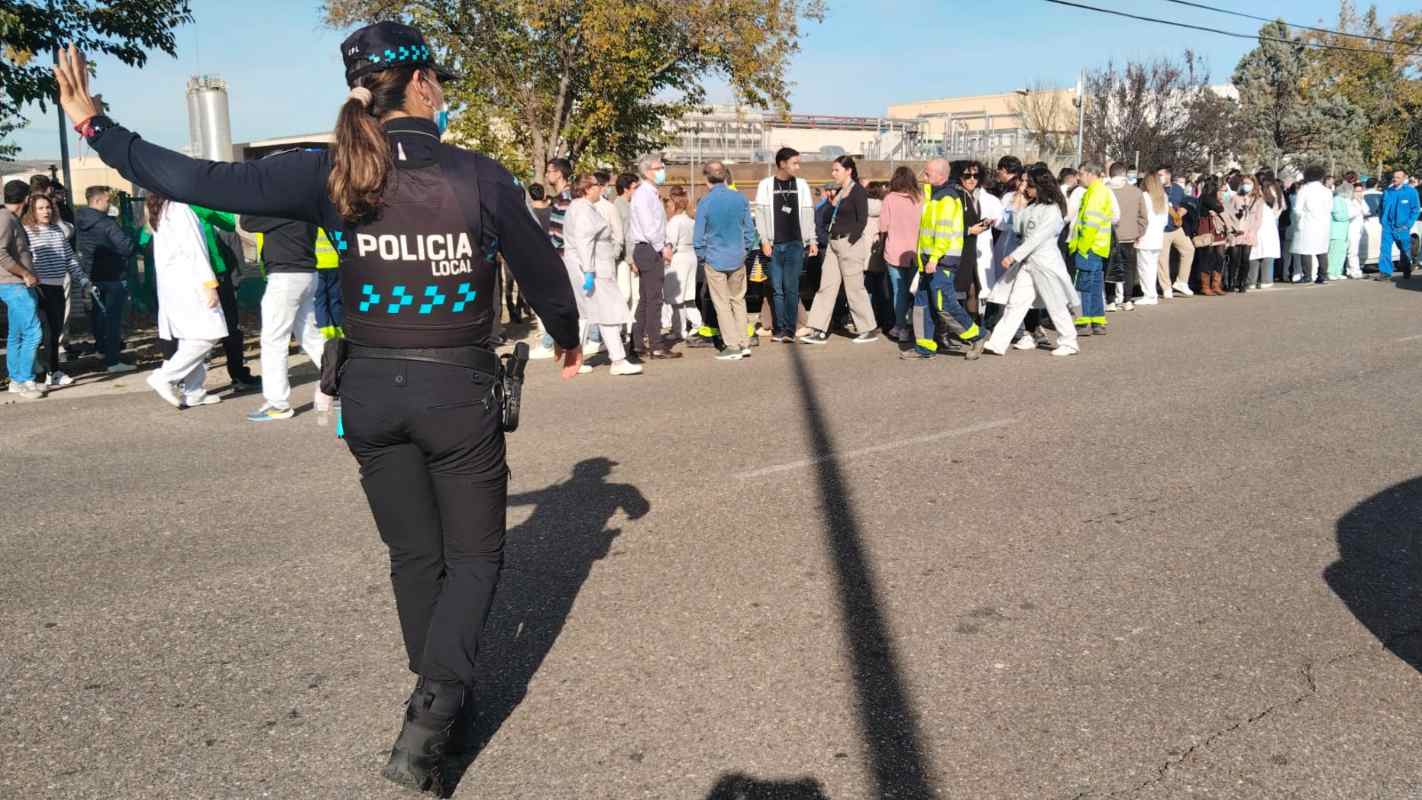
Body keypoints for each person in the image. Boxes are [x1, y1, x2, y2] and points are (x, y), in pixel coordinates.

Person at [53, 24, 585, 792]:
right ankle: (433, 712)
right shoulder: (478, 175)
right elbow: (541, 267)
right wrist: (566, 336)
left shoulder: (329, 172)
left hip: (367, 391)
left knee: (413, 557)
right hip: (455, 391)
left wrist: (95, 125)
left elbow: (196, 176)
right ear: (425, 86)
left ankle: (435, 703)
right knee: (473, 559)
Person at [982, 165, 1079, 357]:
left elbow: (1037, 238)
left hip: (1045, 263)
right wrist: (1019, 202)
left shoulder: (1052, 210)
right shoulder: (1032, 206)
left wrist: (1013, 256)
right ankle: (998, 342)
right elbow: (1017, 227)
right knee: (1016, 302)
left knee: (1055, 303)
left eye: (1029, 184)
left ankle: (1069, 341)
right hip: (1027, 263)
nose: (1025, 187)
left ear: (1040, 186)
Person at [143, 191, 227, 408]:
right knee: (209, 334)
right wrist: (209, 285)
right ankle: (165, 376)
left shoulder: (160, 210)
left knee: (191, 337)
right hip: (190, 282)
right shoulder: (179, 209)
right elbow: (196, 249)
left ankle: (194, 390)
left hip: (174, 285)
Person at [240, 212, 327, 421]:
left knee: (274, 340)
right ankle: (343, 386)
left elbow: (247, 222)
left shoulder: (281, 208)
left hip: (285, 277)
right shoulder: (304, 204)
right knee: (310, 336)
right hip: (307, 273)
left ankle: (278, 403)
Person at [903, 158, 984, 360]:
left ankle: (976, 335)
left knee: (944, 303)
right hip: (928, 260)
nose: (924, 176)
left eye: (928, 173)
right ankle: (925, 346)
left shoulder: (947, 199)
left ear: (940, 176)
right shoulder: (934, 196)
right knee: (923, 305)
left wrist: (934, 258)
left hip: (941, 261)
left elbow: (944, 233)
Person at [564, 174, 640, 376]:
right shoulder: (582, 210)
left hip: (594, 266)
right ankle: (617, 359)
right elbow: (584, 242)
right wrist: (588, 271)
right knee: (608, 313)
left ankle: (577, 360)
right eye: (598, 186)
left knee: (589, 315)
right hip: (595, 269)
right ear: (587, 189)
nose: (602, 189)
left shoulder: (581, 208)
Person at [801, 156, 876, 345]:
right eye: (833, 170)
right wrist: (830, 203)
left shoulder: (857, 191)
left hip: (848, 244)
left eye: (836, 170)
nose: (833, 173)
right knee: (826, 287)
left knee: (854, 288)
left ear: (848, 170)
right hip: (834, 243)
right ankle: (819, 328)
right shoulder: (841, 192)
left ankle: (866, 328)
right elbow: (826, 215)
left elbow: (862, 219)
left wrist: (850, 240)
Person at [21, 192, 92, 387]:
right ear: (32, 211)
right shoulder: (26, 231)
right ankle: (41, 371)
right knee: (44, 332)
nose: (46, 211)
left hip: (58, 286)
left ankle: (53, 371)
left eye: (48, 207)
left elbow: (69, 258)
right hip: (39, 287)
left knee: (56, 330)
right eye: (41, 208)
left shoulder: (56, 231)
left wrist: (83, 278)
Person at [693, 161, 758, 361]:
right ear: (725, 175)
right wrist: (744, 250)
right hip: (737, 257)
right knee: (738, 301)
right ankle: (744, 342)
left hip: (715, 258)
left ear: (706, 179)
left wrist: (703, 256)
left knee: (722, 304)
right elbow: (750, 231)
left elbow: (698, 236)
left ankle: (732, 345)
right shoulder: (740, 198)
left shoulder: (705, 202)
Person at [752, 147, 816, 342]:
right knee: (776, 289)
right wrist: (764, 240)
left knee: (792, 288)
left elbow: (807, 213)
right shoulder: (765, 185)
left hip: (796, 244)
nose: (798, 167)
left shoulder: (802, 185)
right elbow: (761, 215)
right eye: (794, 163)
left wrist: (812, 239)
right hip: (773, 245)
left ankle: (789, 329)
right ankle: (779, 329)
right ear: (782, 164)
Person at [74, 185, 138, 372]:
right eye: (107, 200)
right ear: (98, 201)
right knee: (112, 319)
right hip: (112, 275)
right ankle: (113, 360)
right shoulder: (107, 223)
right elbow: (126, 247)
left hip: (91, 274)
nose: (109, 204)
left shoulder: (80, 220)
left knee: (98, 317)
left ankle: (101, 350)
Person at [0, 180, 45, 399]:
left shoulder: (9, 218)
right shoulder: (6, 219)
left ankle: (17, 380)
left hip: (15, 284)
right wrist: (25, 273)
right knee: (33, 332)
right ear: (27, 199)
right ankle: (25, 380)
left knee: (16, 334)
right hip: (13, 284)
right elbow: (1, 254)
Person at [1068, 162, 1114, 334]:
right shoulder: (1099, 191)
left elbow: (1090, 223)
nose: (1078, 177)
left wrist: (1082, 248)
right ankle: (1097, 320)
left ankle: (1083, 320)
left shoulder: (1095, 193)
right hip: (1097, 246)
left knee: (1083, 284)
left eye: (1080, 173)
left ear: (1089, 173)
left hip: (1089, 246)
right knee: (1094, 284)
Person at [878, 166, 921, 343]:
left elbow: (883, 227)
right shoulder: (921, 199)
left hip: (894, 252)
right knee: (917, 292)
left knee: (899, 292)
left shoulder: (889, 199)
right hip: (917, 252)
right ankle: (919, 327)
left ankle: (900, 327)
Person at [663, 187, 700, 340]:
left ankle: (679, 330)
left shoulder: (674, 222)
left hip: (679, 258)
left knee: (676, 296)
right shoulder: (690, 219)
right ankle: (698, 324)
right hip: (692, 257)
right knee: (688, 296)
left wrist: (666, 261)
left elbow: (669, 244)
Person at [1154, 165, 1196, 298]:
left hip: (1176, 227)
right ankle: (1166, 287)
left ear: (1168, 176)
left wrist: (1184, 209)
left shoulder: (1177, 188)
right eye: (1158, 175)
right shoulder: (1155, 190)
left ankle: (1181, 282)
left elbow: (1188, 201)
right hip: (1163, 229)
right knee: (1163, 259)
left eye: (1161, 175)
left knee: (1189, 249)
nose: (1159, 177)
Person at [1106, 161, 1143, 311]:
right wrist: (1138, 231)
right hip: (1129, 236)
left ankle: (1110, 301)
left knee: (1110, 269)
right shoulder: (1136, 192)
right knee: (1129, 269)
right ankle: (1128, 300)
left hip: (1109, 236)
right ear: (1124, 174)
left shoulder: (1105, 190)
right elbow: (1143, 216)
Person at [1290, 164, 1333, 284]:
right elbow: (1330, 208)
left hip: (1307, 224)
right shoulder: (1327, 191)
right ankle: (1322, 275)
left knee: (1306, 251)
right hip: (1323, 225)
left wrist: (1300, 219)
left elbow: (1297, 209)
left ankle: (1307, 276)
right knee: (1322, 251)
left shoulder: (1304, 190)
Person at [1377, 167, 1419, 281]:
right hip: (1388, 227)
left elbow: (1415, 210)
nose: (1394, 179)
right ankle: (1385, 272)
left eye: (1398, 177)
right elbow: (1380, 207)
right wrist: (1382, 220)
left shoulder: (1411, 192)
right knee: (1385, 249)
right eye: (1394, 177)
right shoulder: (1387, 191)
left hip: (1402, 227)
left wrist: (1408, 225)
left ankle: (1406, 268)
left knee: (1405, 249)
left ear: (1404, 178)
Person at [1134, 173, 1169, 306]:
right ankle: (1151, 293)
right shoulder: (1163, 197)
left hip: (1145, 236)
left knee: (1144, 268)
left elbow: (1140, 217)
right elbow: (1165, 221)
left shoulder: (1144, 197)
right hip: (1158, 236)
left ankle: (1148, 295)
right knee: (1152, 267)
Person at [1226, 175, 1263, 293]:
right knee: (1234, 258)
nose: (1246, 186)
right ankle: (1231, 282)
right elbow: (1229, 213)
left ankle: (1242, 283)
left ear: (1254, 185)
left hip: (1249, 232)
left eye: (1249, 183)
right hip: (1237, 231)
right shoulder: (1235, 197)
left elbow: (1258, 218)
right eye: (1244, 183)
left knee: (1245, 259)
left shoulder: (1258, 199)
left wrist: (1253, 231)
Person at [1327, 181, 1354, 283]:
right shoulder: (1337, 200)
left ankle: (1338, 272)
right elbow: (1338, 215)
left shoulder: (1343, 200)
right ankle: (1330, 272)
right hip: (1336, 231)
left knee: (1341, 253)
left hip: (1343, 232)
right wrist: (1349, 216)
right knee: (1334, 253)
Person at [1346, 182, 1366, 279]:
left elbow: (1367, 210)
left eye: (1360, 191)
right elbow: (1349, 214)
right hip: (1351, 229)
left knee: (1355, 251)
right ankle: (1354, 271)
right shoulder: (1349, 201)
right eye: (1356, 191)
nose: (1359, 193)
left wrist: (1361, 203)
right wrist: (1359, 210)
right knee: (1352, 251)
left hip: (1359, 229)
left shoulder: (1361, 201)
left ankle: (1351, 270)